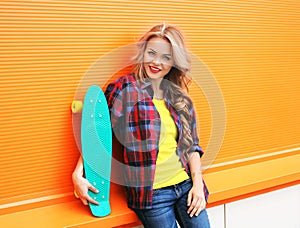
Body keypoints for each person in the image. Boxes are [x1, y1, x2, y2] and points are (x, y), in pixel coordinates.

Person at [72, 23, 211, 228]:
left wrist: (197, 186)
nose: (156, 62)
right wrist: (78, 173)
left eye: (166, 57)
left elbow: (192, 146)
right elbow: (99, 133)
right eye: (151, 53)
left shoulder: (179, 97)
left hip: (186, 186)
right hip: (153, 196)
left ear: (174, 62)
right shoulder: (124, 89)